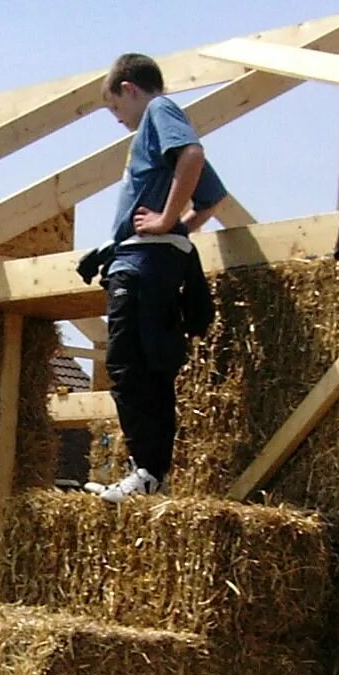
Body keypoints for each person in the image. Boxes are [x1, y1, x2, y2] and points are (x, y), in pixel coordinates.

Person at [90, 53, 230, 503]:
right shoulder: (159, 128)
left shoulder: (157, 111)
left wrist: (167, 218)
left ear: (129, 88)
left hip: (142, 265)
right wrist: (179, 227)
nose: (117, 120)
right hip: (153, 262)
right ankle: (148, 473)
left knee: (127, 367)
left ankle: (147, 472)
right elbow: (212, 197)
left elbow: (192, 154)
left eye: (114, 108)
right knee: (148, 369)